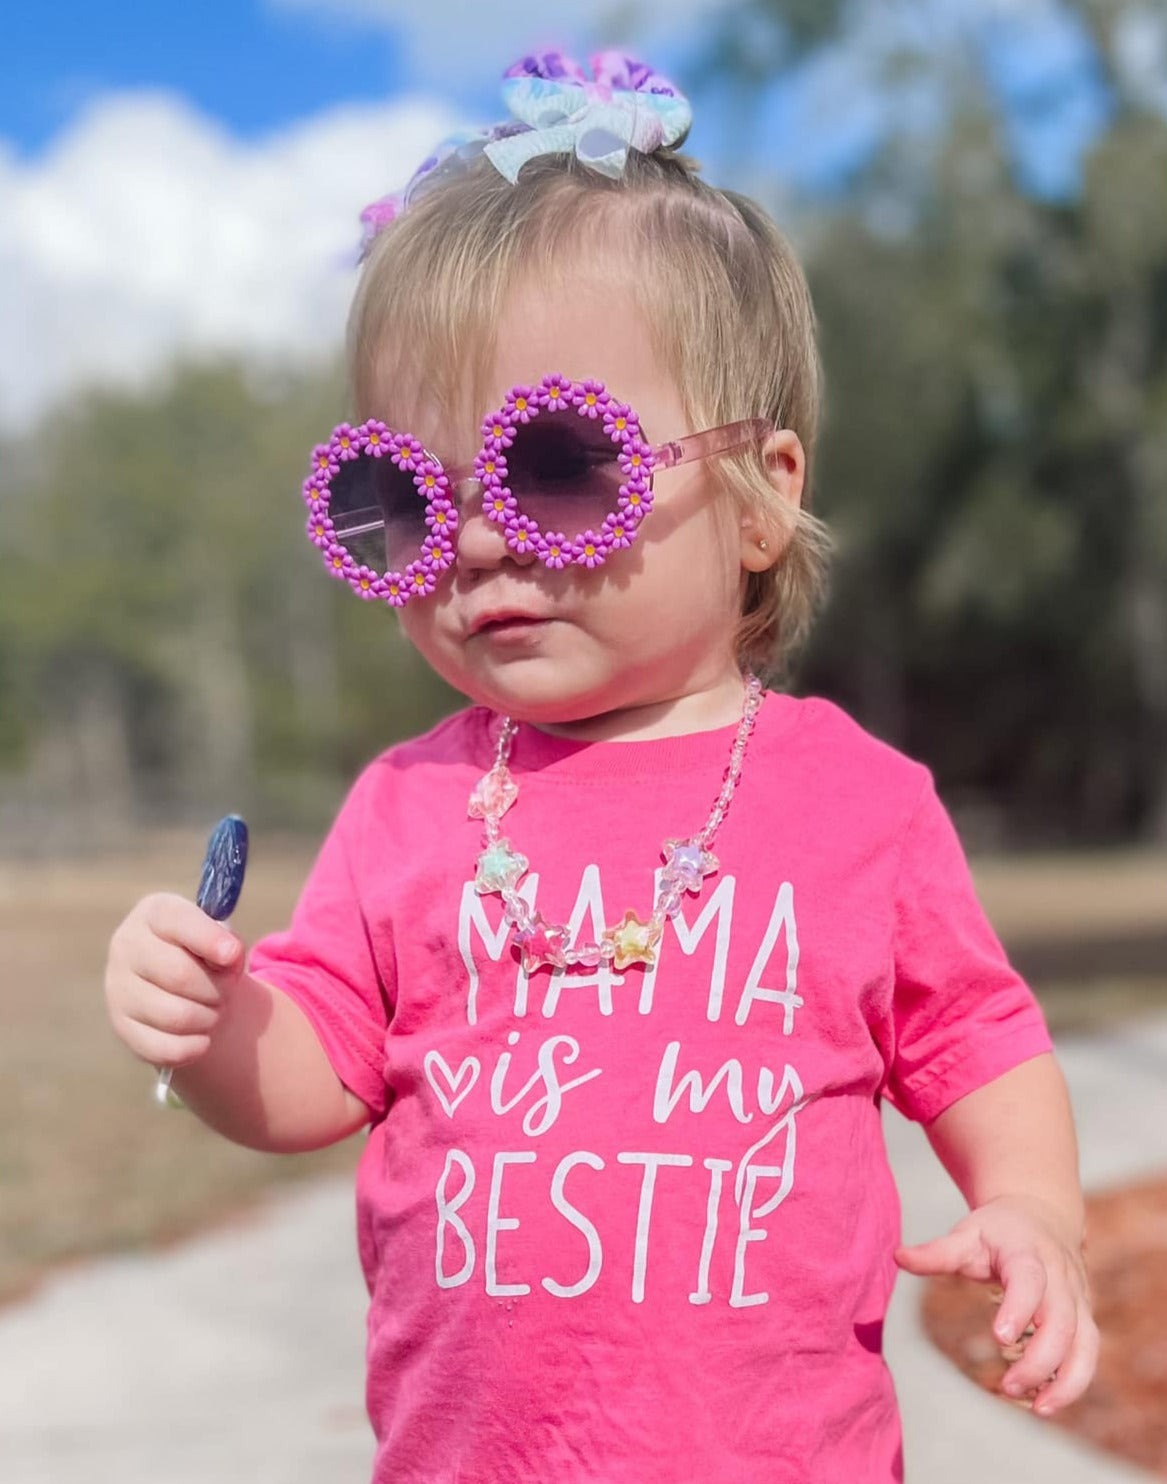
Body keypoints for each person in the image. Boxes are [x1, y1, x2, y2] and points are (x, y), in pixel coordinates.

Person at [103, 50, 1098, 1483]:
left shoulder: (860, 804)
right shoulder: (412, 805)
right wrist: (209, 1030)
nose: (482, 540)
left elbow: (976, 1041)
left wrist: (1035, 1210)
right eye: (406, 497)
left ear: (761, 496)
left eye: (559, 468)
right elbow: (313, 1073)